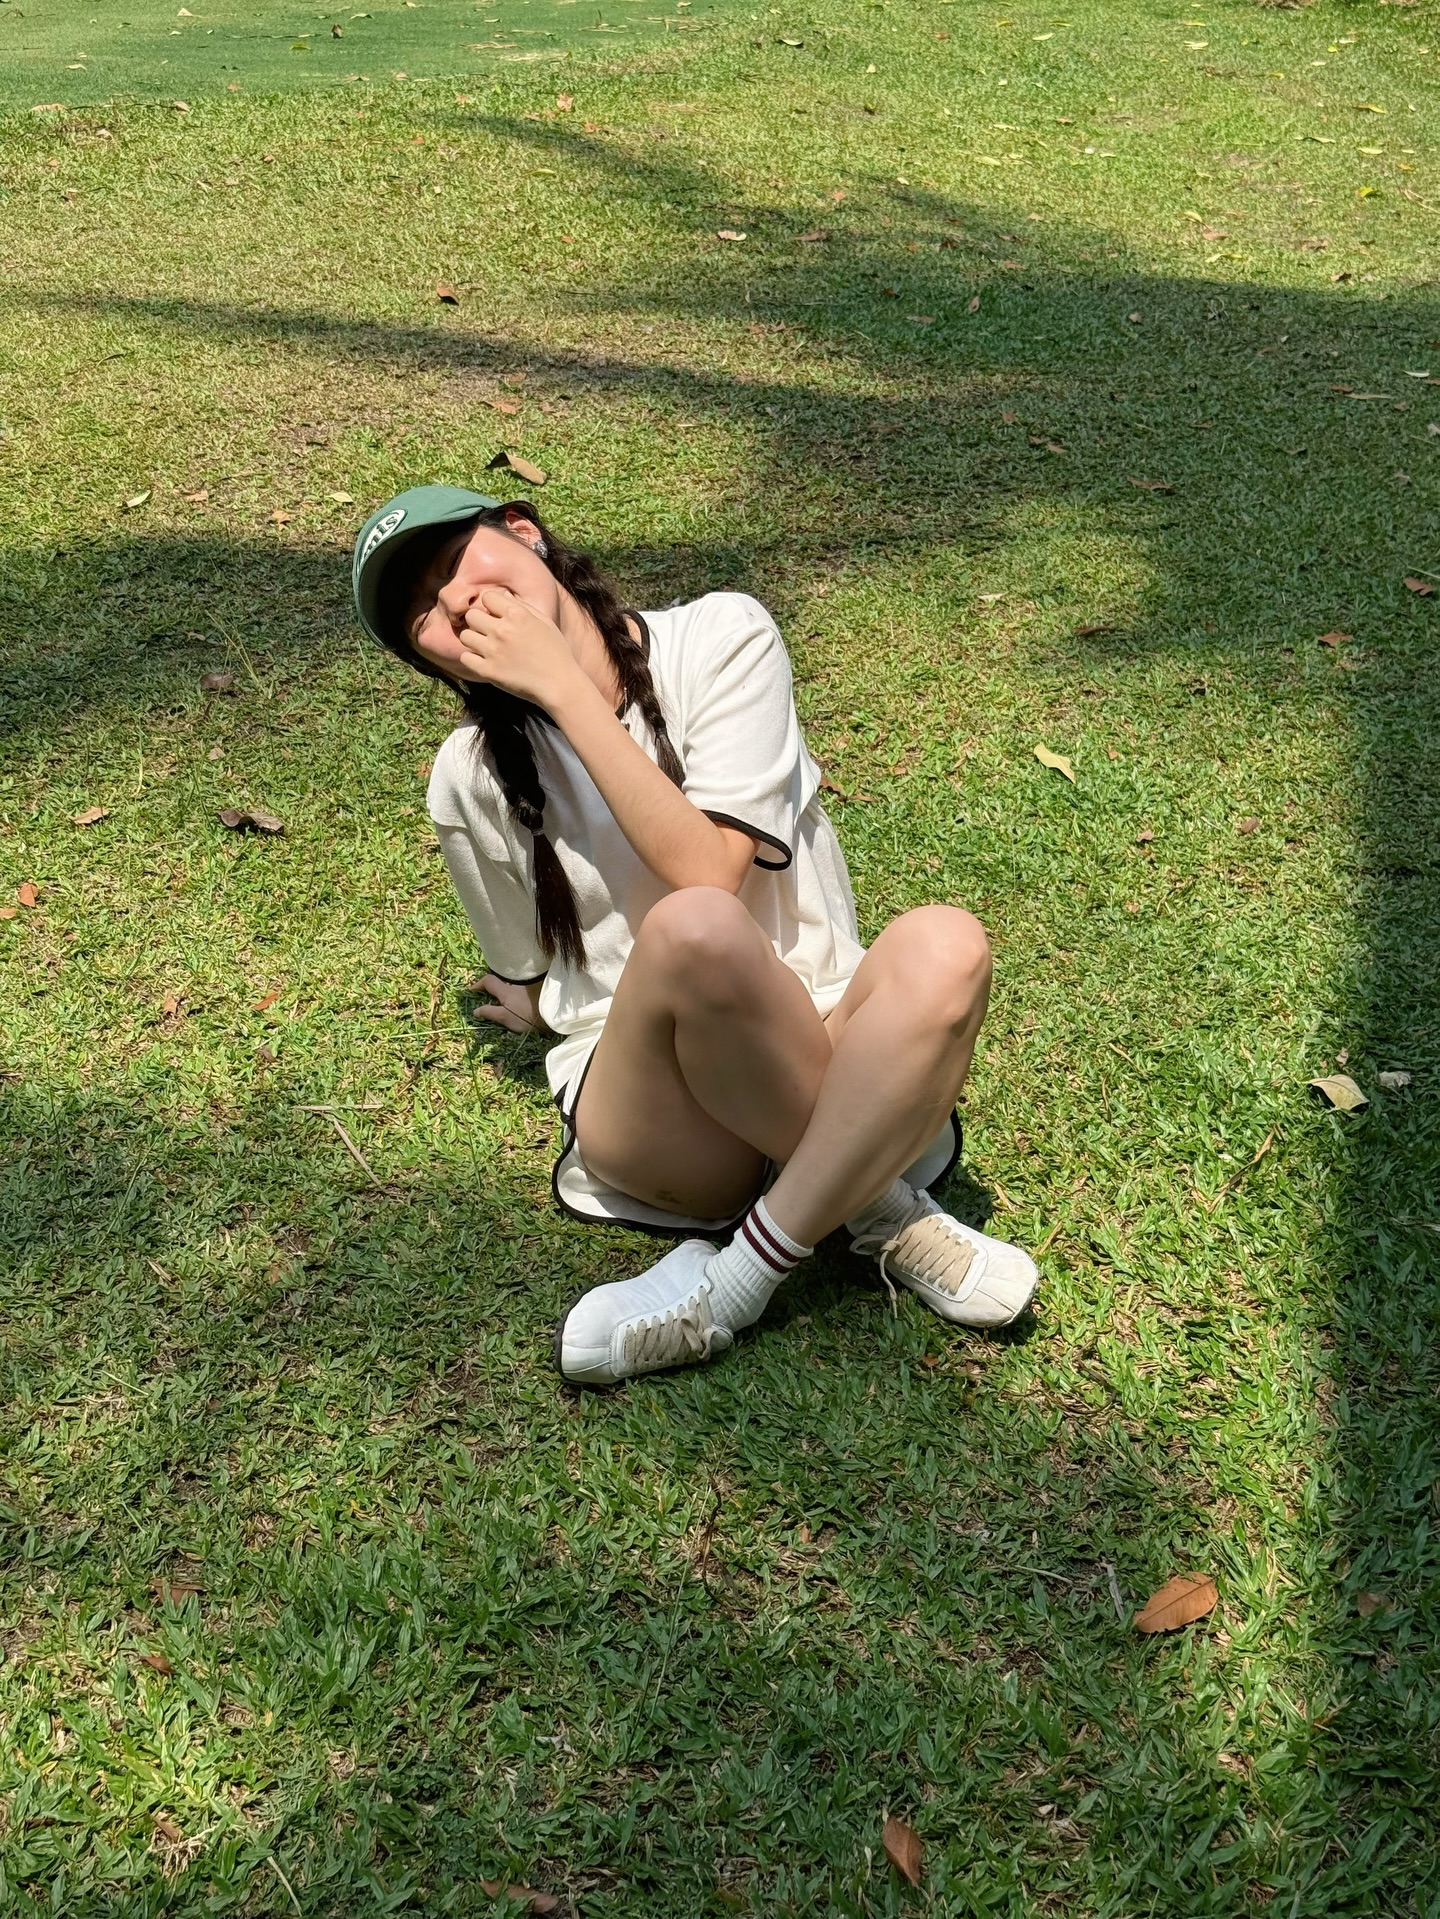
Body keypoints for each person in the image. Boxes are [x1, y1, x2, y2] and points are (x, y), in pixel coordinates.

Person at [351, 485, 1039, 1386]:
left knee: (948, 943)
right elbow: (534, 960)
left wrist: (561, 685)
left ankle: (732, 1284)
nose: (453, 602)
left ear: (524, 533)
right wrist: (530, 998)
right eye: (421, 617)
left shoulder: (723, 636)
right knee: (695, 930)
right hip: (664, 1116)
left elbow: (709, 865)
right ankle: (880, 1205)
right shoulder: (467, 778)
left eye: (454, 562)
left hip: (818, 1043)